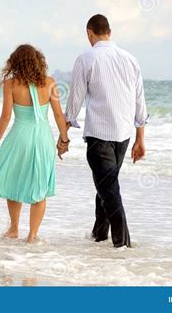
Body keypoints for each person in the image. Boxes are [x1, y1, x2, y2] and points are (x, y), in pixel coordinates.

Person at [59, 14, 149, 248]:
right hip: (124, 135)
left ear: (90, 33)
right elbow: (140, 100)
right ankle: (99, 235)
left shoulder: (86, 58)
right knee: (106, 186)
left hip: (99, 136)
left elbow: (75, 100)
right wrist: (140, 139)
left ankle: (122, 245)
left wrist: (64, 134)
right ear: (109, 31)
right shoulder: (130, 59)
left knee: (109, 189)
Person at [0, 44, 69, 243]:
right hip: (43, 138)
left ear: (14, 63)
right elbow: (58, 114)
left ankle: (14, 229)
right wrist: (64, 139)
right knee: (39, 185)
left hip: (19, 137)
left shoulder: (10, 84)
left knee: (13, 179)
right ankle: (32, 235)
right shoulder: (50, 83)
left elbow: (5, 117)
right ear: (38, 61)